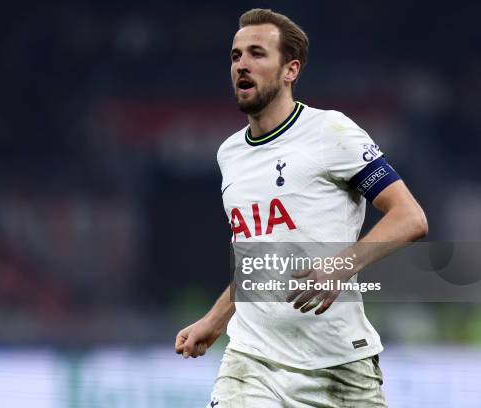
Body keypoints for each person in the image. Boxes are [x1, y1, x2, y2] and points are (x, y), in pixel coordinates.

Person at [174, 8, 428, 407]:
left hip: (338, 365)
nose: (242, 65)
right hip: (252, 362)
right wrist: (216, 318)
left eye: (257, 54)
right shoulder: (230, 153)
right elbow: (258, 258)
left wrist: (340, 266)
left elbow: (409, 217)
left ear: (290, 70)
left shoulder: (331, 132)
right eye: (236, 55)